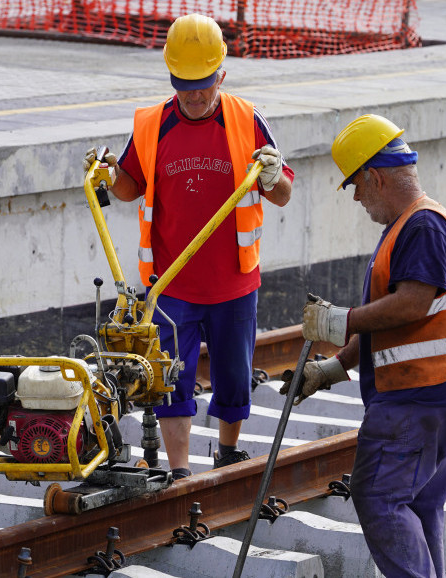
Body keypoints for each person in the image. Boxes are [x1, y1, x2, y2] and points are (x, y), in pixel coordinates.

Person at [281, 114, 446, 577]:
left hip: (420, 396)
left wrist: (339, 320)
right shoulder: (413, 225)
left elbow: (411, 306)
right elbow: (391, 327)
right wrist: (332, 369)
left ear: (374, 177)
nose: (356, 197)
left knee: (378, 495)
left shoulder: (422, 229)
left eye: (355, 185)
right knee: (417, 503)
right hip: (440, 391)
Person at [83, 13, 293, 480]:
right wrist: (109, 174)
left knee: (235, 376)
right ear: (170, 77)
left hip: (234, 281)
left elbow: (282, 193)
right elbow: (129, 186)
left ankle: (227, 450)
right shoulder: (153, 124)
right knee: (170, 380)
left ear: (221, 74)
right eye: (184, 84)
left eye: (203, 84)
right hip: (170, 284)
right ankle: (181, 473)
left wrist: (275, 175)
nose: (195, 95)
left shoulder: (246, 120)